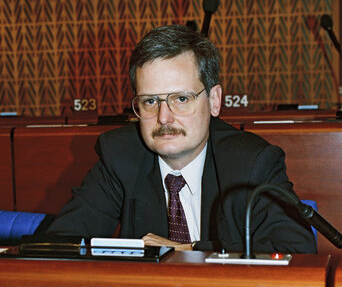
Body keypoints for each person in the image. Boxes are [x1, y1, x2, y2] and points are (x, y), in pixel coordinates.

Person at [46, 24, 316, 253]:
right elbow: (61, 243)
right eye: (150, 101)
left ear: (214, 101)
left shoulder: (251, 162)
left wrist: (186, 251)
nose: (164, 118)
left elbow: (296, 249)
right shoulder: (119, 156)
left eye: (181, 99)